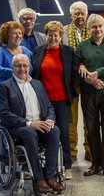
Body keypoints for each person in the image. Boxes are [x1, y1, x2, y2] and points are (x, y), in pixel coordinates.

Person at [0, 54, 64, 194]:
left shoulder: (37, 84)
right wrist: (30, 123)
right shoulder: (5, 87)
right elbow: (4, 114)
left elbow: (49, 106)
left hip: (40, 124)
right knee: (29, 132)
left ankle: (50, 176)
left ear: (29, 67)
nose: (22, 69)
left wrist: (50, 120)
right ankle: (38, 179)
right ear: (12, 68)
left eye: (25, 65)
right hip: (20, 128)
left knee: (55, 130)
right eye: (18, 66)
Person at [73, 14, 104, 180]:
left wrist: (97, 73)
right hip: (89, 94)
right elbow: (77, 67)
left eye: (100, 26)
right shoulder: (82, 46)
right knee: (92, 130)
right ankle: (96, 164)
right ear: (89, 29)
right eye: (93, 26)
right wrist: (91, 80)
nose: (97, 29)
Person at [33, 21, 76, 180]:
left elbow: (76, 69)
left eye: (55, 35)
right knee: (46, 131)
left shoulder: (68, 51)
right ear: (46, 36)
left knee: (63, 132)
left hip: (63, 99)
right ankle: (47, 165)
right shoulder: (38, 51)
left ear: (60, 36)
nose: (52, 38)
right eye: (50, 35)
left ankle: (67, 165)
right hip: (43, 101)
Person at [62, 1, 92, 163]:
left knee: (90, 117)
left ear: (86, 15)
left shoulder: (93, 30)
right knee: (71, 119)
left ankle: (90, 149)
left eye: (82, 13)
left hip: (89, 81)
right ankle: (72, 151)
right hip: (70, 81)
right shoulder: (63, 32)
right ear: (71, 15)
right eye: (76, 13)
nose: (80, 16)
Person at [0, 21, 33, 87]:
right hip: (7, 90)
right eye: (14, 33)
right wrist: (13, 72)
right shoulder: (1, 51)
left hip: (25, 87)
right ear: (6, 36)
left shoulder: (25, 50)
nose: (18, 36)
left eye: (20, 33)